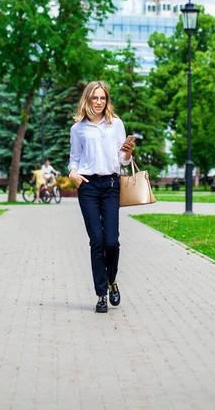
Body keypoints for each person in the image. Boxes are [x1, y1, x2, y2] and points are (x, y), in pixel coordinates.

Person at [68, 81, 135, 313]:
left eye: (102, 98)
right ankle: (101, 294)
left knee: (111, 241)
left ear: (107, 100)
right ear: (87, 99)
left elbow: (122, 161)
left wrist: (127, 152)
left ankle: (112, 280)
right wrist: (73, 173)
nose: (99, 102)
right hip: (87, 186)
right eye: (94, 98)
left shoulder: (115, 124)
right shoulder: (78, 128)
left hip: (111, 184)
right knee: (96, 241)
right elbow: (74, 158)